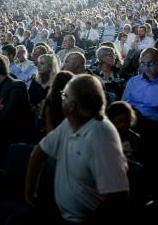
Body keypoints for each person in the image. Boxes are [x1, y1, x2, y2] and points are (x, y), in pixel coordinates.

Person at [25, 75, 129, 223]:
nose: (62, 98)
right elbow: (39, 152)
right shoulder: (70, 124)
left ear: (72, 105)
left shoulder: (101, 136)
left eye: (64, 95)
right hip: (61, 213)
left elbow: (118, 198)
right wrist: (30, 195)